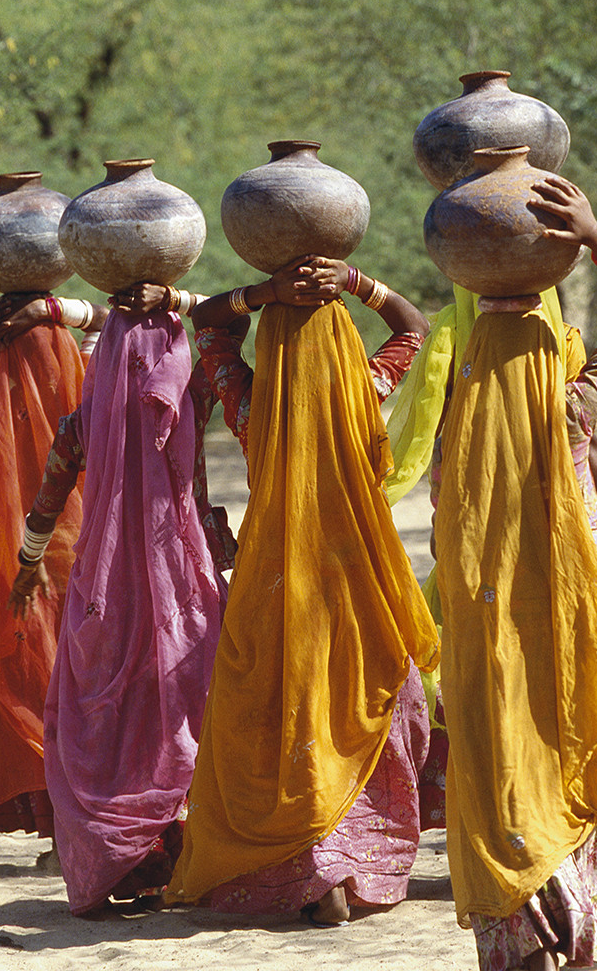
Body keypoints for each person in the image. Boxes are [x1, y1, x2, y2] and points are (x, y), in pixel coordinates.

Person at [164, 256, 441, 925]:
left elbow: (207, 324)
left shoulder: (252, 405)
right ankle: (351, 865)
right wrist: (355, 284)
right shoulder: (365, 387)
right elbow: (414, 326)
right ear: (345, 349)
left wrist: (264, 294)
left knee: (290, 708)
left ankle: (305, 866)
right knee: (359, 706)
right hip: (360, 579)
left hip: (277, 579)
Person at [432, 176, 597, 971]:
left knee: (501, 762)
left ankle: (524, 935)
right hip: (567, 623)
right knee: (570, 747)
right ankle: (589, 920)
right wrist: (596, 239)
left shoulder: (453, 428)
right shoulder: (571, 409)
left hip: (486, 631)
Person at [8, 286, 231, 916]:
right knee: (179, 721)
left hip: (102, 593)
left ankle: (115, 866)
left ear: (102, 360)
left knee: (107, 726)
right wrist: (177, 299)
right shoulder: (194, 399)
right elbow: (224, 316)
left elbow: (45, 506)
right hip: (183, 587)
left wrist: (27, 566)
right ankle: (177, 862)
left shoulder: (81, 426)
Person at [0, 292, 105, 864]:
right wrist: (55, 311)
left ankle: (61, 836)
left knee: (39, 691)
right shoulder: (93, 399)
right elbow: (112, 319)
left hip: (20, 574)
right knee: (92, 694)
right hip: (89, 568)